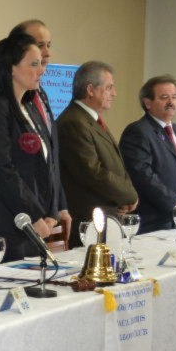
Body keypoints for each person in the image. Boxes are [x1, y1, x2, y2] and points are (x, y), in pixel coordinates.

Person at [0, 33, 69, 260]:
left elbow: (46, 164)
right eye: (34, 64)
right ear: (11, 67)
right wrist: (33, 214)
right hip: (8, 224)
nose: (42, 71)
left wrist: (50, 211)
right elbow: (1, 168)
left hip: (35, 224)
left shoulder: (30, 107)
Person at [58, 61, 139, 247]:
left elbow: (116, 165)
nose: (114, 93)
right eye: (109, 87)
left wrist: (125, 196)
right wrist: (129, 195)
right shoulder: (73, 122)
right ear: (90, 90)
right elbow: (92, 173)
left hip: (106, 217)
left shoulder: (89, 119)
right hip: (89, 220)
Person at [120, 75, 176, 233]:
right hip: (152, 222)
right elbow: (143, 176)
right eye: (164, 97)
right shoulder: (138, 131)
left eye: (174, 97)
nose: (171, 102)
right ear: (147, 103)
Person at [10, 19, 55, 131]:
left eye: (48, 45)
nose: (48, 53)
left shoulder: (41, 93)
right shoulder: (3, 101)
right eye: (39, 46)